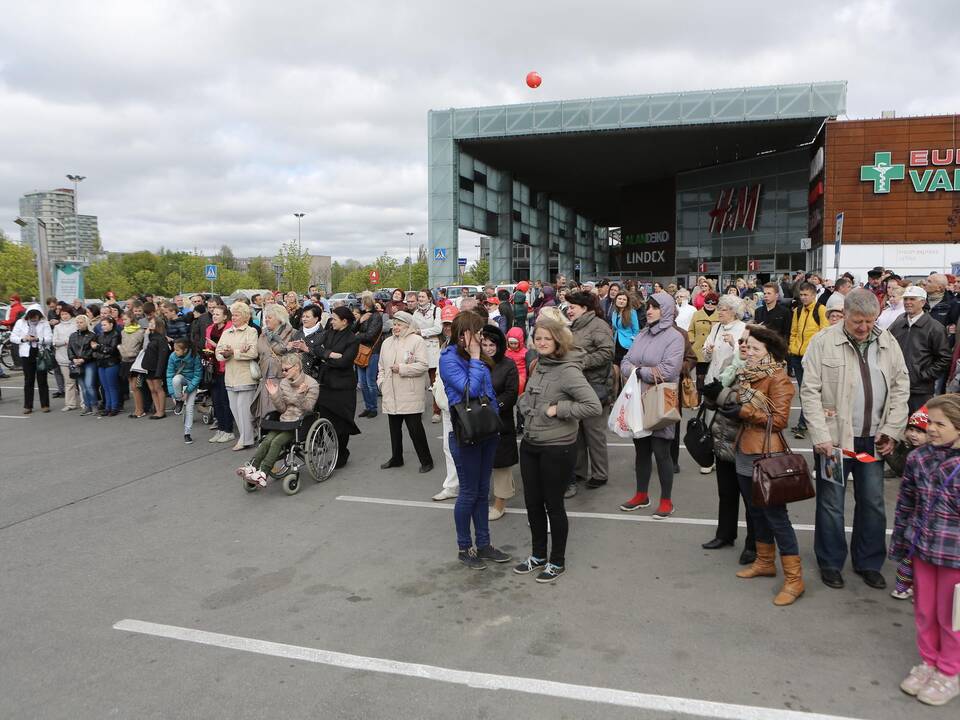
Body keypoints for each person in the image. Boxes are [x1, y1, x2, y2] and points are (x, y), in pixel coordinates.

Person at [802, 289, 911, 591]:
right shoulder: (823, 342)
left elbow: (901, 388)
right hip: (835, 442)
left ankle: (869, 562)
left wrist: (892, 430)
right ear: (844, 315)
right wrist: (820, 436)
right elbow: (809, 391)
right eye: (857, 321)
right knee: (831, 503)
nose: (864, 328)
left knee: (873, 503)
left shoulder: (887, 342)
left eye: (869, 321)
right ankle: (830, 562)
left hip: (874, 440)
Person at [715, 324, 804, 606]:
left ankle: (795, 579)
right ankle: (765, 561)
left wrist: (743, 411)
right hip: (744, 449)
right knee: (755, 511)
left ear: (769, 352)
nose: (748, 352)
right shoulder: (747, 375)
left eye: (754, 348)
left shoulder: (778, 378)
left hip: (765, 454)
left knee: (776, 516)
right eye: (746, 347)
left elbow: (779, 421)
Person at [515, 316, 602, 582]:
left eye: (547, 338)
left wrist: (559, 409)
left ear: (558, 341)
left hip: (557, 447)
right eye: (538, 338)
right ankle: (538, 555)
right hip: (531, 443)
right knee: (532, 504)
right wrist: (522, 403)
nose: (541, 342)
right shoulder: (538, 364)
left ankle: (557, 561)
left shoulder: (568, 370)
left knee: (553, 505)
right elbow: (530, 395)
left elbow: (593, 406)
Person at [890, 395, 960, 707]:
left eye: (939, 424)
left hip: (955, 557)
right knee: (924, 610)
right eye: (928, 422)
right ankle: (928, 662)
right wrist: (901, 544)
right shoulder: (918, 458)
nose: (930, 429)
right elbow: (905, 503)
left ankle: (949, 671)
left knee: (952, 617)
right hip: (922, 549)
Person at [439, 311, 512, 569]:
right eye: (477, 332)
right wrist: (475, 357)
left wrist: (477, 358)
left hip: (486, 429)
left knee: (483, 491)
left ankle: (483, 544)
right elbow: (470, 388)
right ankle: (464, 547)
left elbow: (487, 391)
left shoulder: (477, 357)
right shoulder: (448, 359)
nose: (481, 337)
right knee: (469, 493)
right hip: (466, 433)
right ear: (463, 335)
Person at [620, 292, 685, 517]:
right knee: (641, 451)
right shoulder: (642, 334)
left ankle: (666, 500)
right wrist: (641, 371)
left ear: (666, 310)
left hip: (659, 401)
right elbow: (625, 361)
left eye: (655, 307)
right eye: (648, 307)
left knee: (662, 452)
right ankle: (641, 495)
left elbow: (668, 371)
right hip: (638, 400)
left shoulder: (675, 337)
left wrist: (638, 371)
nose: (649, 311)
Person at [701, 326, 757, 565]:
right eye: (742, 342)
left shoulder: (763, 370)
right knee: (726, 492)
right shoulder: (728, 364)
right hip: (723, 438)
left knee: (751, 498)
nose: (744, 346)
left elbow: (748, 403)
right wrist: (715, 394)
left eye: (749, 343)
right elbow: (710, 400)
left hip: (749, 443)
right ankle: (725, 534)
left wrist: (721, 394)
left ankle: (754, 545)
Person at [238, 353, 320, 488]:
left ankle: (263, 473)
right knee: (267, 441)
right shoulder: (284, 382)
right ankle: (252, 467)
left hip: (300, 423)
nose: (283, 372)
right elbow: (282, 409)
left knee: (276, 442)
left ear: (297, 367)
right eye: (282, 370)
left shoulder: (312, 384)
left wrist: (300, 394)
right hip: (284, 421)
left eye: (286, 369)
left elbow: (309, 408)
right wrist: (274, 395)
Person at [566, 291, 614, 494]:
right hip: (577, 387)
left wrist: (581, 362)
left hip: (596, 386)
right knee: (577, 434)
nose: (568, 310)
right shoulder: (574, 327)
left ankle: (599, 474)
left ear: (585, 308)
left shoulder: (598, 326)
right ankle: (579, 471)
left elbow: (607, 352)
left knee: (594, 433)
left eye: (572, 307)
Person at [378, 310, 434, 472]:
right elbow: (381, 367)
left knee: (415, 429)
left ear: (408, 326)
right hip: (391, 392)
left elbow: (423, 365)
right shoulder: (386, 342)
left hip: (410, 393)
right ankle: (397, 458)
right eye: (394, 324)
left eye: (399, 325)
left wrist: (402, 368)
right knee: (394, 430)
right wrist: (381, 383)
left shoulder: (416, 341)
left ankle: (426, 460)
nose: (395, 327)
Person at [885, 406, 930, 601]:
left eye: (920, 431)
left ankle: (919, 589)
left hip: (928, 513)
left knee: (919, 555)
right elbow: (900, 468)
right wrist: (888, 453)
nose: (913, 434)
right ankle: (903, 586)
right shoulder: (912, 453)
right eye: (911, 429)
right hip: (914, 512)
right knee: (910, 552)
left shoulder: (933, 456)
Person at [308, 306, 361, 468]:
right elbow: (315, 347)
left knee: (342, 422)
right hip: (326, 383)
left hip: (343, 386)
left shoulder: (352, 338)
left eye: (335, 319)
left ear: (344, 321)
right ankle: (326, 445)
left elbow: (345, 362)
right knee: (323, 416)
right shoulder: (329, 332)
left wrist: (326, 357)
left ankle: (342, 453)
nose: (332, 321)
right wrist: (329, 355)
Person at [889, 285, 951, 414]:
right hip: (896, 387)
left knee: (918, 428)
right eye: (905, 299)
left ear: (922, 302)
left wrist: (924, 375)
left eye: (912, 299)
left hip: (920, 391)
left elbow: (944, 358)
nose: (908, 303)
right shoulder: (898, 323)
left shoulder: (935, 327)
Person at [480, 326, 520, 521]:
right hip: (476, 421)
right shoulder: (475, 362)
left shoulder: (508, 364)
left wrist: (494, 406)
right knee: (480, 462)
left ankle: (500, 503)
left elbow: (512, 394)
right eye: (484, 344)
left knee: (501, 464)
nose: (488, 348)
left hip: (500, 421)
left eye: (492, 345)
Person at [216, 302, 260, 451]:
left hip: (245, 375)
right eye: (232, 314)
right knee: (235, 408)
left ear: (245, 316)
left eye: (237, 314)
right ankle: (247, 434)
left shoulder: (251, 331)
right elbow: (218, 352)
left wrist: (233, 352)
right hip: (230, 376)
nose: (233, 317)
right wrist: (225, 353)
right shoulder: (227, 332)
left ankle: (245, 439)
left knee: (244, 409)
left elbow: (253, 353)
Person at [787, 282, 828, 439]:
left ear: (813, 295)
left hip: (812, 357)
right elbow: (794, 332)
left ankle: (803, 424)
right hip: (797, 356)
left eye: (806, 295)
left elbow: (824, 334)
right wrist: (792, 348)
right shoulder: (797, 311)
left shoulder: (821, 310)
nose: (803, 298)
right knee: (805, 391)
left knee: (808, 392)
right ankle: (806, 423)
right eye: (801, 295)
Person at [431, 304, 461, 502]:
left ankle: (463, 486)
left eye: (450, 324)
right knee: (448, 447)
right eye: (445, 324)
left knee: (460, 447)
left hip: (458, 405)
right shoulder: (445, 344)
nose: (447, 327)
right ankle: (452, 485)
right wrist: (435, 388)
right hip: (446, 406)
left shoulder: (461, 347)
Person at [253, 305, 295, 423]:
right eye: (266, 317)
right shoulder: (263, 334)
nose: (266, 320)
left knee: (282, 410)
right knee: (266, 412)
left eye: (269, 317)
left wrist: (284, 349)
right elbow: (260, 351)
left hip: (283, 378)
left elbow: (294, 356)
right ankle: (266, 435)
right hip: (267, 377)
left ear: (279, 319)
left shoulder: (291, 333)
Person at [10, 305, 53, 414]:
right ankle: (28, 406)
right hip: (26, 354)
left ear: (39, 315)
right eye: (32, 317)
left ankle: (45, 404)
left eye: (36, 317)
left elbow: (49, 338)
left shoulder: (44, 323)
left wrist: (38, 339)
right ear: (28, 316)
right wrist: (23, 339)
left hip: (40, 353)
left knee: (42, 380)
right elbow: (13, 337)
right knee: (28, 380)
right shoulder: (20, 322)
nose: (34, 319)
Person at [204, 305, 235, 444]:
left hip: (226, 368)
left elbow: (230, 349)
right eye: (213, 314)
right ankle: (221, 429)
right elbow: (208, 347)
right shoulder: (210, 328)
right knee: (216, 401)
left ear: (225, 316)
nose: (214, 316)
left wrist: (216, 346)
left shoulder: (230, 328)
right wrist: (207, 351)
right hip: (213, 367)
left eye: (217, 314)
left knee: (225, 400)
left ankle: (228, 430)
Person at [412, 289, 443, 423]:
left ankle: (437, 411)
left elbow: (438, 329)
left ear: (430, 298)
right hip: (418, 348)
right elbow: (412, 328)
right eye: (419, 296)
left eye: (423, 296)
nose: (420, 298)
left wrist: (421, 332)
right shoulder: (416, 312)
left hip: (432, 349)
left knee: (434, 382)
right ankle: (417, 409)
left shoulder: (436, 310)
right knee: (418, 383)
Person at [166, 338, 203, 443]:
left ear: (185, 350)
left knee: (190, 408)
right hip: (181, 379)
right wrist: (173, 394)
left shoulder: (195, 357)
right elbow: (169, 375)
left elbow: (197, 375)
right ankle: (179, 401)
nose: (175, 352)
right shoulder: (172, 357)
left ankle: (187, 433)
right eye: (174, 349)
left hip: (192, 383)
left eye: (177, 350)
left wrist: (187, 392)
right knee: (176, 379)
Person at [356, 292, 385, 418]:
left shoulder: (376, 316)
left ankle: (373, 407)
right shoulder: (363, 316)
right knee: (363, 383)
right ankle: (368, 407)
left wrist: (357, 336)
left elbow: (370, 335)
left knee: (370, 382)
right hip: (362, 350)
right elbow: (352, 329)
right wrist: (359, 321)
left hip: (372, 351)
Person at [90, 314, 122, 417]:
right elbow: (93, 349)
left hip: (111, 363)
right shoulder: (99, 335)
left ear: (111, 324)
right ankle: (108, 407)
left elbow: (112, 350)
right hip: (101, 363)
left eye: (105, 325)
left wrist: (99, 347)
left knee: (112, 386)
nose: (102, 327)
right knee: (105, 387)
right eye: (102, 325)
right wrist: (100, 349)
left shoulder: (115, 335)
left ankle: (114, 407)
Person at [688, 292, 720, 390]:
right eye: (708, 302)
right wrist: (692, 341)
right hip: (699, 349)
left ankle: (710, 400)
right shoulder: (696, 314)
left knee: (713, 376)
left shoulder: (719, 315)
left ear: (716, 304)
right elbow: (690, 330)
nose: (710, 305)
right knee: (700, 376)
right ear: (704, 302)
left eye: (713, 303)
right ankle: (699, 398)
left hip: (714, 349)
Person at [141, 316, 170, 420]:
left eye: (153, 323)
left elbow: (162, 356)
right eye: (150, 323)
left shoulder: (161, 338)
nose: (151, 325)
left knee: (158, 388)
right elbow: (145, 349)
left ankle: (161, 411)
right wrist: (146, 335)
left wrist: (159, 371)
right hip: (148, 366)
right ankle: (157, 410)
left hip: (157, 367)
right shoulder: (150, 336)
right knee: (152, 389)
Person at [68, 314, 98, 415]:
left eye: (81, 322)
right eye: (77, 322)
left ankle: (94, 405)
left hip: (89, 363)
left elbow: (92, 350)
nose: (79, 324)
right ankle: (87, 406)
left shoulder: (92, 335)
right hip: (77, 363)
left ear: (86, 323)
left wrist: (83, 359)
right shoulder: (72, 336)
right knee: (83, 387)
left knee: (89, 385)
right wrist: (73, 359)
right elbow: (70, 349)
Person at [119, 309, 146, 418]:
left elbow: (142, 347)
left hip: (135, 360)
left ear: (131, 319)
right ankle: (137, 409)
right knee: (133, 387)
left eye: (125, 319)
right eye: (123, 319)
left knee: (136, 386)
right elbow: (123, 344)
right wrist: (121, 349)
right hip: (125, 360)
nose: (123, 321)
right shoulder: (123, 331)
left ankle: (140, 410)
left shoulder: (140, 331)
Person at [52, 307, 80, 412]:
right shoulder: (57, 327)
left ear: (70, 314)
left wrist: (72, 342)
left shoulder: (76, 325)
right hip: (63, 358)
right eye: (62, 314)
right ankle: (70, 404)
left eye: (66, 314)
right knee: (69, 382)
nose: (64, 316)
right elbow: (54, 342)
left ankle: (85, 403)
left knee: (81, 382)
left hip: (77, 358)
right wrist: (65, 341)